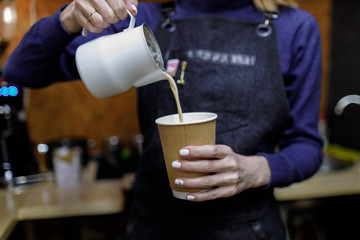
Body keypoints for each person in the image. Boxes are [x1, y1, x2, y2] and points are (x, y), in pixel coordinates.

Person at [3, 0, 323, 239]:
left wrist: (256, 170)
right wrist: (70, 17)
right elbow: (20, 72)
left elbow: (306, 146)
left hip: (251, 228)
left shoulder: (294, 28)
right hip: (154, 225)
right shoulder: (146, 18)